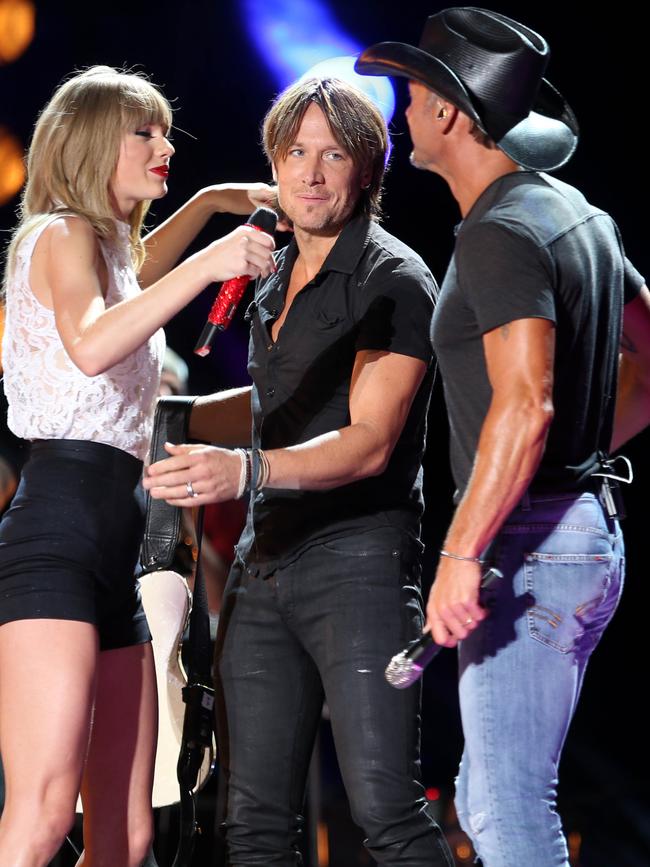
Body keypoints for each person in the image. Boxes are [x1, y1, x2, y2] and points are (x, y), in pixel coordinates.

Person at [356, 8, 650, 865]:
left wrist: (460, 550)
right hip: (584, 535)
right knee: (490, 800)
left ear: (448, 112)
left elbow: (525, 406)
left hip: (530, 546)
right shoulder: (579, 215)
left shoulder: (498, 231)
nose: (402, 112)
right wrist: (579, 459)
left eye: (409, 97)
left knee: (510, 815)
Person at [145, 77, 454, 866]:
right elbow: (276, 397)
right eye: (295, 153)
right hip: (263, 563)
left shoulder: (396, 279)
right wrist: (167, 418)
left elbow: (369, 439)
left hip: (358, 563)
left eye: (333, 154)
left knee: (385, 807)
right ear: (273, 166)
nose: (311, 172)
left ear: (366, 172)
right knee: (251, 824)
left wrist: (244, 468)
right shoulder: (271, 273)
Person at [0, 65, 275, 867]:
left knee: (126, 838)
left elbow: (134, 283)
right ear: (92, 143)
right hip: (54, 542)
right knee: (44, 814)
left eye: (166, 129)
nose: (165, 145)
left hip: (114, 554)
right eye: (144, 132)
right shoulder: (60, 234)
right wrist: (215, 256)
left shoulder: (104, 251)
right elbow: (92, 341)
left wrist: (215, 199)